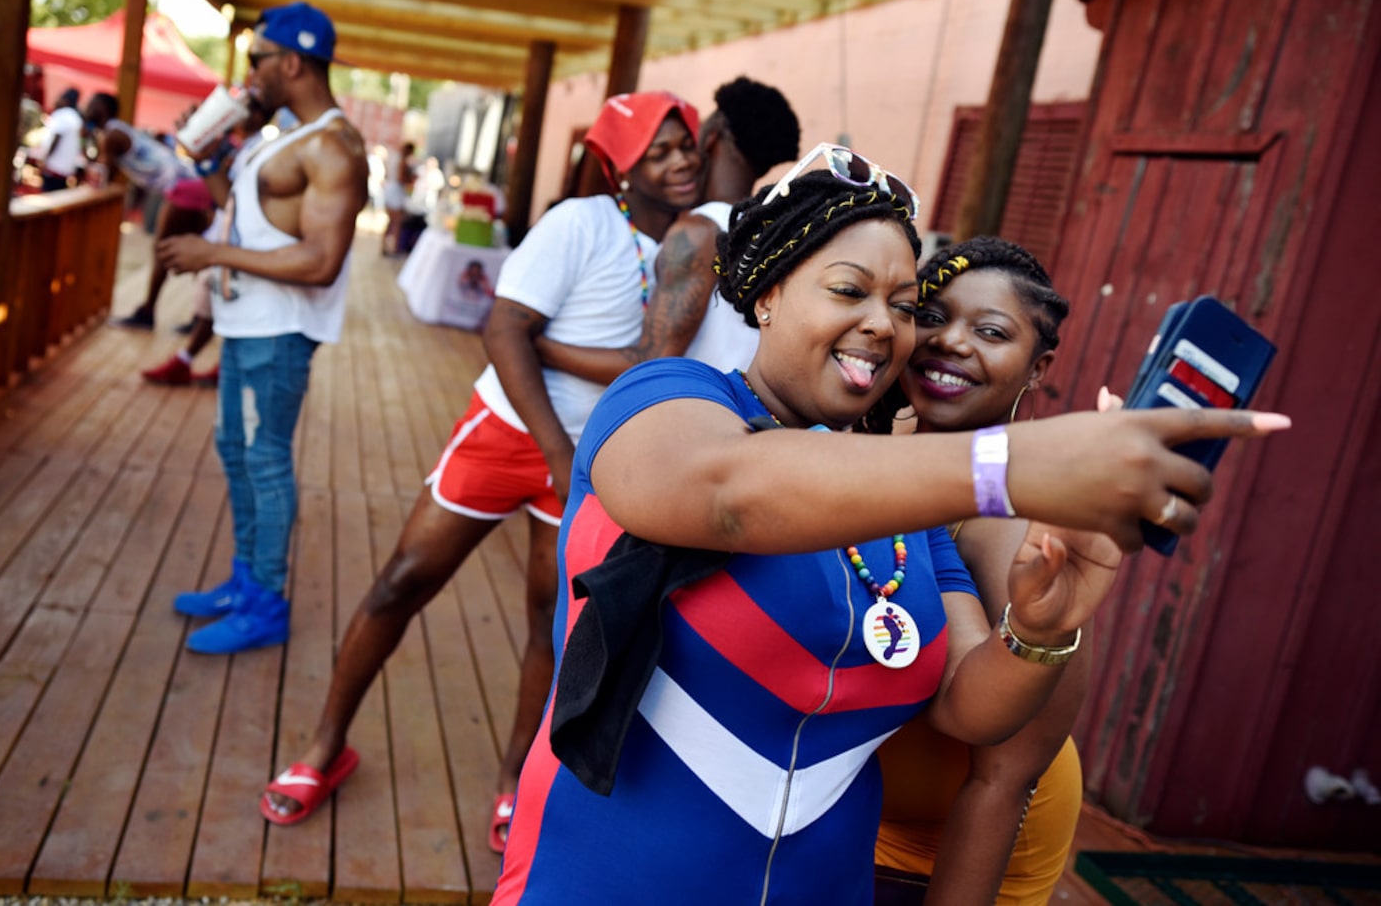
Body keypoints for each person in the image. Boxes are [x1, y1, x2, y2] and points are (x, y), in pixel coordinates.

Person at [489, 147, 1289, 903]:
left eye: (904, 306)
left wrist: (1044, 628)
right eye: (850, 291)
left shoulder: (907, 514)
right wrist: (1008, 464)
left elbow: (971, 707)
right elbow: (725, 493)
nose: (886, 325)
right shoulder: (666, 400)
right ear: (767, 293)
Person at [257, 91, 703, 845]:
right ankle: (324, 748)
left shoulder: (693, 240)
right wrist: (555, 451)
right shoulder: (578, 222)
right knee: (403, 579)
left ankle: (513, 785)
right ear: (617, 169)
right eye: (656, 152)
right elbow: (503, 326)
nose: (680, 160)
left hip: (597, 453)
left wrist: (577, 452)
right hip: (509, 430)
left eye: (684, 144)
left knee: (547, 620)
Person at [873, 237, 1116, 905]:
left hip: (952, 849)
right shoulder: (874, 456)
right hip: (858, 815)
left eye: (990, 331)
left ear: (1036, 369)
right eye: (932, 315)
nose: (950, 342)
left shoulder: (1023, 530)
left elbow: (1004, 780)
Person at [154, 1, 368, 653]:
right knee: (237, 451)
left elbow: (322, 261)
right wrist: (209, 156)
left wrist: (210, 254)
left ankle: (266, 602)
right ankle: (246, 583)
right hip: (247, 321)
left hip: (279, 333)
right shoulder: (281, 139)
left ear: (292, 62)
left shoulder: (334, 145)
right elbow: (246, 216)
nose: (250, 76)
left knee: (265, 459)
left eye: (257, 61)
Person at [534, 75, 799, 378]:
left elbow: (652, 360)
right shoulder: (762, 230)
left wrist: (540, 345)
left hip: (688, 409)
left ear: (713, 132)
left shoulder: (700, 232)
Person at [141, 105, 274, 387]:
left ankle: (195, 361)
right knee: (216, 302)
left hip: (232, 245)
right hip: (226, 241)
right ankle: (212, 362)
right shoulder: (242, 147)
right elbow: (230, 201)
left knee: (218, 300)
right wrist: (205, 158)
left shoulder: (261, 148)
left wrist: (213, 250)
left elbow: (239, 206)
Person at [83, 92, 215, 330]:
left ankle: (149, 312)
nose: (88, 108)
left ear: (104, 108)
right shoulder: (117, 131)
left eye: (93, 104)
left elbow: (102, 174)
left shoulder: (112, 136)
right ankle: (201, 315)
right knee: (200, 248)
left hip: (182, 187)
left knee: (163, 250)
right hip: (192, 185)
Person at [40, 88, 84, 193]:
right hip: (66, 169)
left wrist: (45, 159)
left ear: (66, 100)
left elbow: (56, 138)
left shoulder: (63, 114)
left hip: (54, 166)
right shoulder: (76, 117)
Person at [382, 140, 415, 256]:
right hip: (396, 191)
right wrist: (411, 179)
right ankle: (394, 248)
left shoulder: (394, 158)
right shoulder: (402, 161)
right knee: (397, 222)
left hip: (389, 189)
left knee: (391, 221)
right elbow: (401, 178)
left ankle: (385, 246)